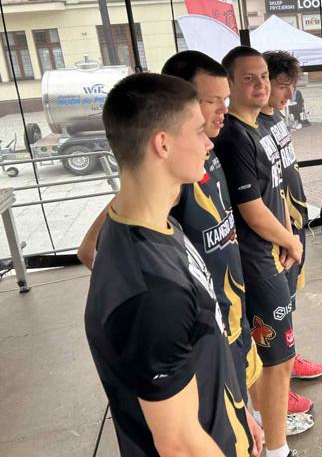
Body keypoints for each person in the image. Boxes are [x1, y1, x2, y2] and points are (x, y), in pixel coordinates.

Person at [78, 53, 266, 455]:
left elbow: (203, 351)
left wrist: (238, 414)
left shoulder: (158, 225)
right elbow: (179, 443)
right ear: (162, 144)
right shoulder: (152, 292)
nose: (209, 142)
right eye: (198, 131)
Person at [214, 46, 308, 457]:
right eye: (249, 78)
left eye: (264, 77)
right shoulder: (234, 136)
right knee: (277, 360)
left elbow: (275, 193)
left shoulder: (257, 126)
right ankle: (277, 448)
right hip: (256, 261)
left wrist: (288, 237)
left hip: (274, 253)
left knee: (276, 357)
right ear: (229, 84)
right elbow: (252, 210)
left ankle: (268, 428)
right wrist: (289, 240)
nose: (261, 85)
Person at [259, 51, 322, 412]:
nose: (289, 94)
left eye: (292, 86)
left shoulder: (275, 118)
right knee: (271, 311)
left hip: (294, 227)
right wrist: (283, 236)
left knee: (287, 302)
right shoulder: (249, 128)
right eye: (283, 85)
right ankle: (276, 384)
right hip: (273, 239)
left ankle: (289, 356)